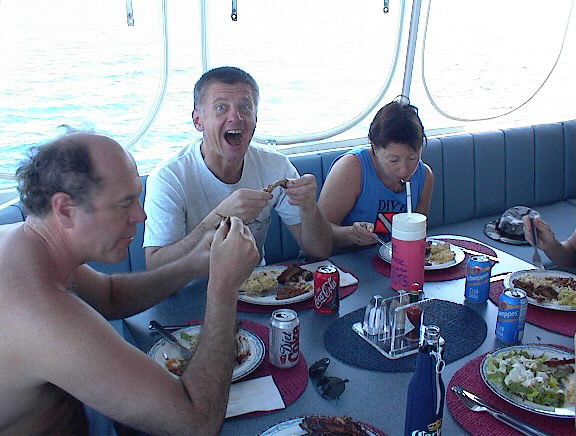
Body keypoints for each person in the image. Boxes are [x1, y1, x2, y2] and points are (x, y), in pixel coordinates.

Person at [0, 132, 260, 435]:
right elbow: (196, 423)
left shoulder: (28, 244)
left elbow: (110, 296)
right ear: (65, 209)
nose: (141, 215)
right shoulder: (40, 313)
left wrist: (193, 263)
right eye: (124, 204)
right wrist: (223, 287)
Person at [143, 66, 332, 269]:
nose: (236, 117)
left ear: (256, 118)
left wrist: (309, 207)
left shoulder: (275, 166)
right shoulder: (169, 178)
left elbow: (319, 251)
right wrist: (219, 217)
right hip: (194, 287)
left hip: (258, 284)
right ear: (198, 121)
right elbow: (156, 266)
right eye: (221, 108)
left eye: (245, 107)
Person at [318, 99, 434, 249]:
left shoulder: (424, 176)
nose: (404, 170)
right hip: (346, 258)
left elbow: (417, 234)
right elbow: (318, 234)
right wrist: (350, 234)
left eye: (412, 158)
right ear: (374, 146)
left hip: (395, 259)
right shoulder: (352, 169)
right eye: (393, 160)